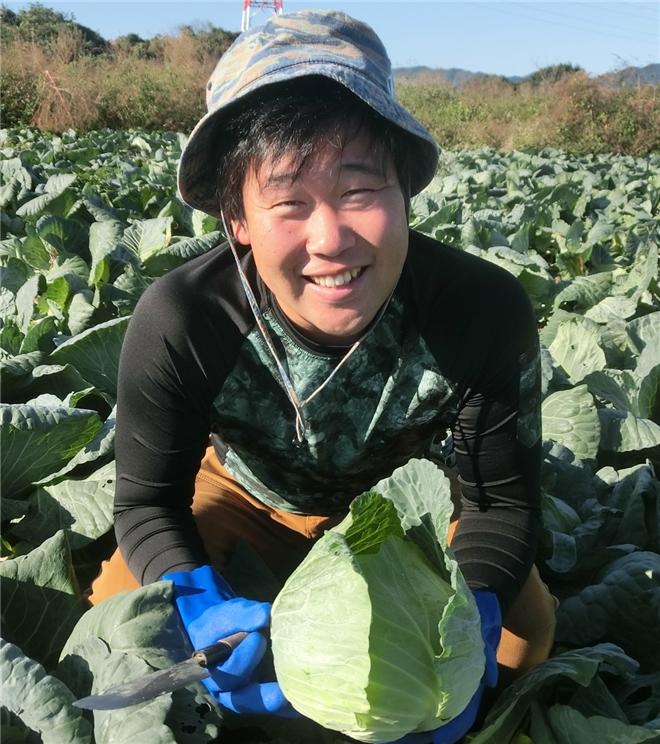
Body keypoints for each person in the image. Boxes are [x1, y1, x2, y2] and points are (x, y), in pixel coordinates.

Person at [90, 9, 557, 742]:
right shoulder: (184, 319)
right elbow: (148, 504)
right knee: (122, 611)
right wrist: (194, 595)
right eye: (287, 201)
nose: (330, 238)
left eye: (359, 191)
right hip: (247, 491)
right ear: (237, 217)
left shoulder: (479, 309)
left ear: (405, 186)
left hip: (410, 520)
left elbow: (499, 504)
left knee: (524, 631)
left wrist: (470, 610)